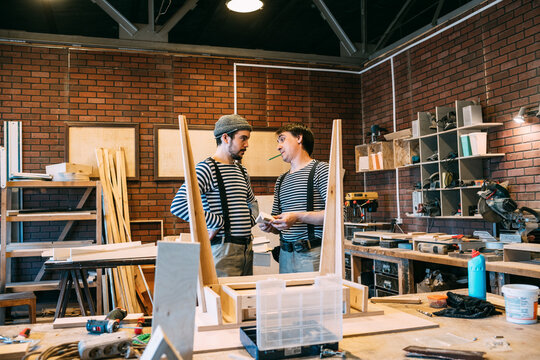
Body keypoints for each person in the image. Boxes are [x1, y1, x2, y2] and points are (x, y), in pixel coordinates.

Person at [171, 114, 259, 277]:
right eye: (243, 138)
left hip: (247, 249)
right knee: (223, 301)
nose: (247, 144)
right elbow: (179, 205)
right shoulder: (206, 169)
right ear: (226, 137)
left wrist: (249, 220)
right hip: (223, 250)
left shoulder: (241, 170)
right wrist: (217, 222)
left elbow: (252, 201)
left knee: (243, 300)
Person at [259, 123, 329, 273]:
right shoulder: (281, 179)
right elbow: (279, 223)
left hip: (312, 255)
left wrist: (298, 216)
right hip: (285, 256)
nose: (278, 146)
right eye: (278, 142)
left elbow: (337, 215)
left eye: (282, 139)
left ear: (299, 138)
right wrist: (272, 226)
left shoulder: (321, 170)